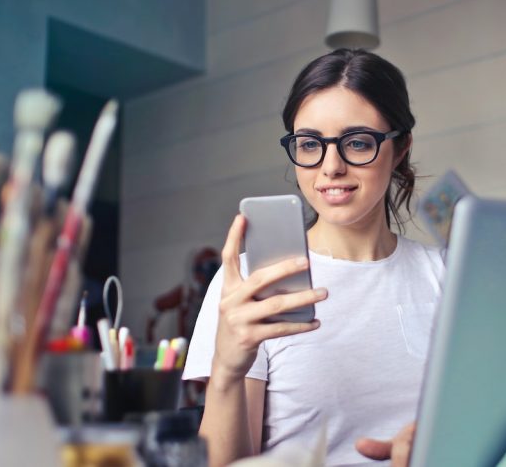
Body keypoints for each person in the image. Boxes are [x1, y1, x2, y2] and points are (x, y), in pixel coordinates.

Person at [183, 48, 445, 466]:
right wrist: (228, 372)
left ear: (399, 149)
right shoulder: (253, 282)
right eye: (310, 144)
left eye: (357, 142)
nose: (331, 166)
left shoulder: (449, 275)